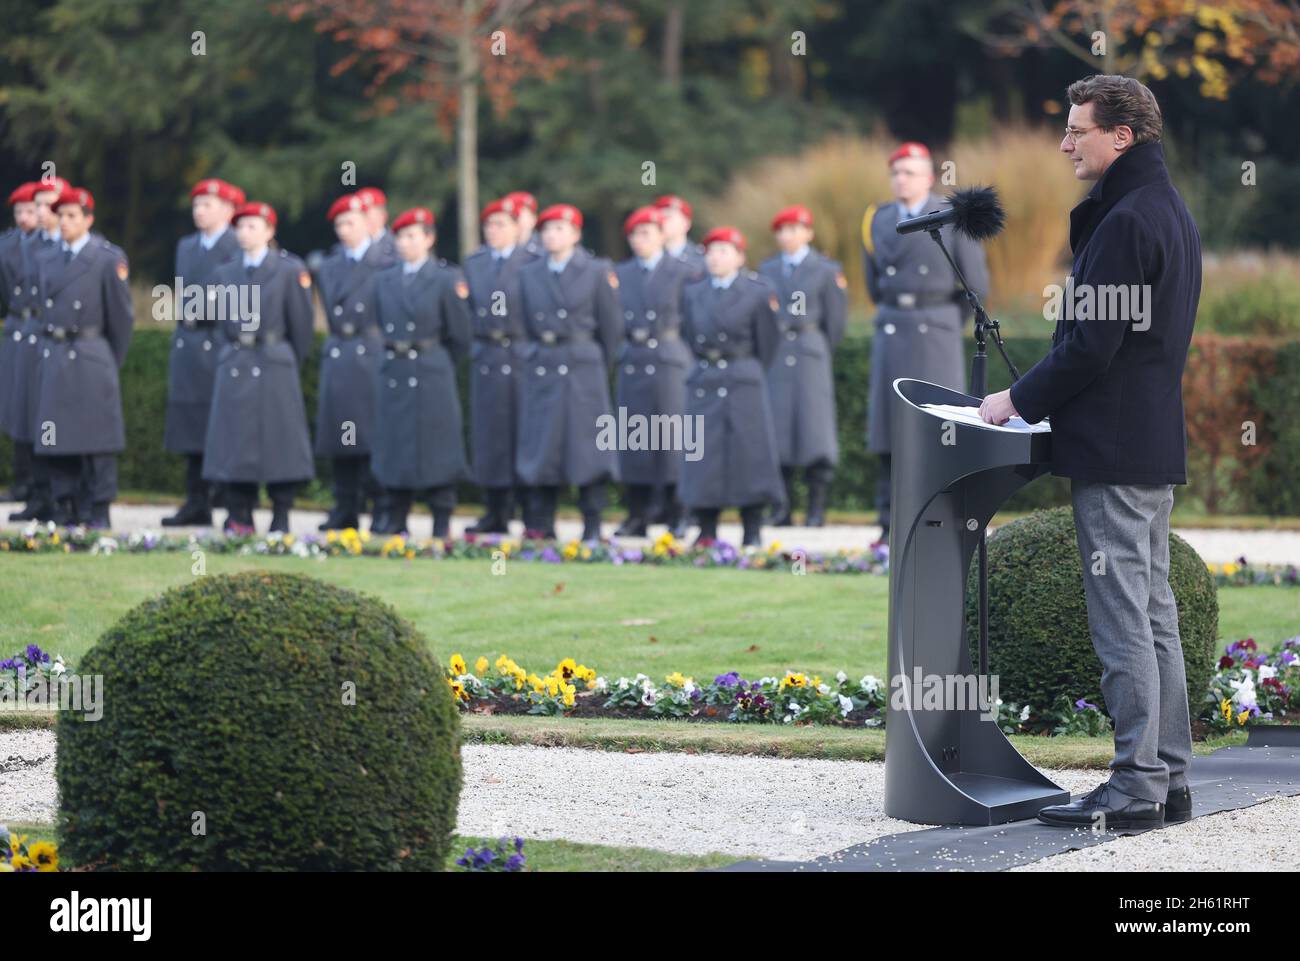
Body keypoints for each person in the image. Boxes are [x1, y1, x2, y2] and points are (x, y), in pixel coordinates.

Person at [980, 75, 1200, 830]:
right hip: (1147, 446)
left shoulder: (1128, 218)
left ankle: (1136, 785)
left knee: (1123, 623)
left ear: (1122, 135)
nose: (1066, 142)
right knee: (1155, 614)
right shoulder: (1167, 209)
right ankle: (1167, 780)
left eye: (1078, 130)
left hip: (1114, 451)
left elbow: (1089, 351)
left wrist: (1015, 401)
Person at [862, 141, 988, 544]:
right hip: (893, 326)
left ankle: (938, 519)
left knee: (938, 425)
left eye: (910, 172)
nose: (902, 179)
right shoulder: (877, 219)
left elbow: (975, 284)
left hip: (935, 330)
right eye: (896, 172)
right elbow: (873, 284)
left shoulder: (950, 216)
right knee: (888, 429)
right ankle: (887, 521)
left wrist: (947, 321)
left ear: (929, 177)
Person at [202, 202, 315, 534]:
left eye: (253, 226)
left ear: (269, 231)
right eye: (241, 226)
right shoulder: (225, 272)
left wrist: (284, 358)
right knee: (235, 443)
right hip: (237, 361)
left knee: (280, 443)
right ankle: (240, 514)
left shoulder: (290, 270)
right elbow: (218, 324)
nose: (245, 233)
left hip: (273, 362)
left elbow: (302, 328)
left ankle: (281, 514)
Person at [515, 203, 622, 541]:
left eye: (559, 229)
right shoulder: (529, 273)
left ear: (575, 234)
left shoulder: (595, 270)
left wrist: (592, 363)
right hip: (544, 363)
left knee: (587, 448)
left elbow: (612, 328)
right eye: (546, 229)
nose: (551, 235)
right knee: (542, 448)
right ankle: (541, 522)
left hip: (582, 366)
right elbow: (522, 325)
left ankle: (592, 524)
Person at [32, 185, 133, 528]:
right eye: (60, 215)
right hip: (56, 353)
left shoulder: (107, 259)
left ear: (88, 220)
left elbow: (121, 320)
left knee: (98, 440)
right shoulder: (46, 258)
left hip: (91, 355)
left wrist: (105, 360)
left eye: (72, 216)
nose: (63, 222)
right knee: (56, 437)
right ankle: (65, 504)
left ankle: (99, 507)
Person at [678, 226, 785, 547]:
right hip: (706, 378)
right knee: (704, 456)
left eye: (723, 251)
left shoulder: (757, 291)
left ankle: (751, 527)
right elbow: (687, 333)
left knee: (749, 455)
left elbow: (768, 343)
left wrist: (745, 368)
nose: (715, 257)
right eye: (711, 251)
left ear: (739, 257)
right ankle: (706, 527)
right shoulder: (693, 291)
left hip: (743, 378)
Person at [370, 207, 472, 536]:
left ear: (429, 239)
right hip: (396, 370)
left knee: (438, 446)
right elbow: (377, 324)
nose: (405, 243)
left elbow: (460, 335)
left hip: (432, 371)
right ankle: (395, 517)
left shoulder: (446, 279)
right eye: (400, 236)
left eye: (413, 236)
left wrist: (435, 361)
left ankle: (441, 520)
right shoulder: (384, 279)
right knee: (395, 444)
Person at [161, 177, 244, 526]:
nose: (199, 211)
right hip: (190, 340)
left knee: (222, 423)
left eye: (207, 205)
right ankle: (196, 500)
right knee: (191, 427)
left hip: (219, 341)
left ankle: (228, 498)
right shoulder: (187, 246)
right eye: (196, 205)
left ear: (227, 210)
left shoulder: (238, 244)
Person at [757, 204, 847, 527]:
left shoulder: (825, 270)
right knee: (778, 432)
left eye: (794, 229)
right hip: (778, 353)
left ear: (808, 233)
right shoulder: (766, 270)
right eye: (782, 230)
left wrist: (817, 347)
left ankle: (815, 509)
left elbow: (835, 324)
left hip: (811, 352)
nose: (787, 236)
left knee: (814, 433)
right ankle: (781, 508)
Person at [314, 191, 396, 531]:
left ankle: (380, 507)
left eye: (351, 222)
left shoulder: (386, 261)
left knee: (372, 438)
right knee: (341, 437)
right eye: (339, 224)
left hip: (370, 352)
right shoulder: (331, 264)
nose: (345, 229)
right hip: (340, 352)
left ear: (368, 222)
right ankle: (344, 506)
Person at [612, 205, 694, 537]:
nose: (639, 240)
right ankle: (638, 513)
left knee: (673, 440)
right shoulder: (622, 273)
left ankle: (678, 512)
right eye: (634, 234)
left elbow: (694, 317)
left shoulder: (683, 271)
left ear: (662, 234)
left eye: (647, 233)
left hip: (669, 358)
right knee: (634, 439)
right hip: (634, 358)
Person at [463, 196, 537, 534]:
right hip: (487, 357)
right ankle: (495, 509)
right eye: (489, 225)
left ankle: (530, 508)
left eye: (501, 225)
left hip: (519, 355)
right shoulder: (475, 263)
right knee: (490, 436)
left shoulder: (531, 262)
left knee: (524, 433)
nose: (494, 231)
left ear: (517, 227)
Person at [5, 177, 69, 522]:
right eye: (39, 205)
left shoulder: (73, 249)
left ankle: (65, 495)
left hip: (59, 341)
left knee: (58, 420)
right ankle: (40, 492)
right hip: (31, 335)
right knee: (31, 417)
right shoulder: (29, 246)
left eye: (49, 204)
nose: (43, 212)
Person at [0, 182, 41, 503]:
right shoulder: (7, 244)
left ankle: (41, 481)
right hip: (16, 323)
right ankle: (22, 479)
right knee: (15, 405)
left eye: (30, 210)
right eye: (19, 211)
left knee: (39, 407)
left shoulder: (49, 245)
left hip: (40, 325)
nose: (25, 217)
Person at [654, 195, 706, 278]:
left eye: (669, 217)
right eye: (660, 218)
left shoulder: (701, 259)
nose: (663, 222)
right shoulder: (649, 256)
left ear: (686, 224)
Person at [356, 186, 396, 262]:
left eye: (365, 213)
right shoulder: (348, 248)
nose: (360, 219)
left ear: (382, 215)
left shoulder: (397, 246)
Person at [504, 191, 542, 257]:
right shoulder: (496, 251)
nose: (512, 223)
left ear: (533, 220)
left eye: (516, 218)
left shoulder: (544, 249)